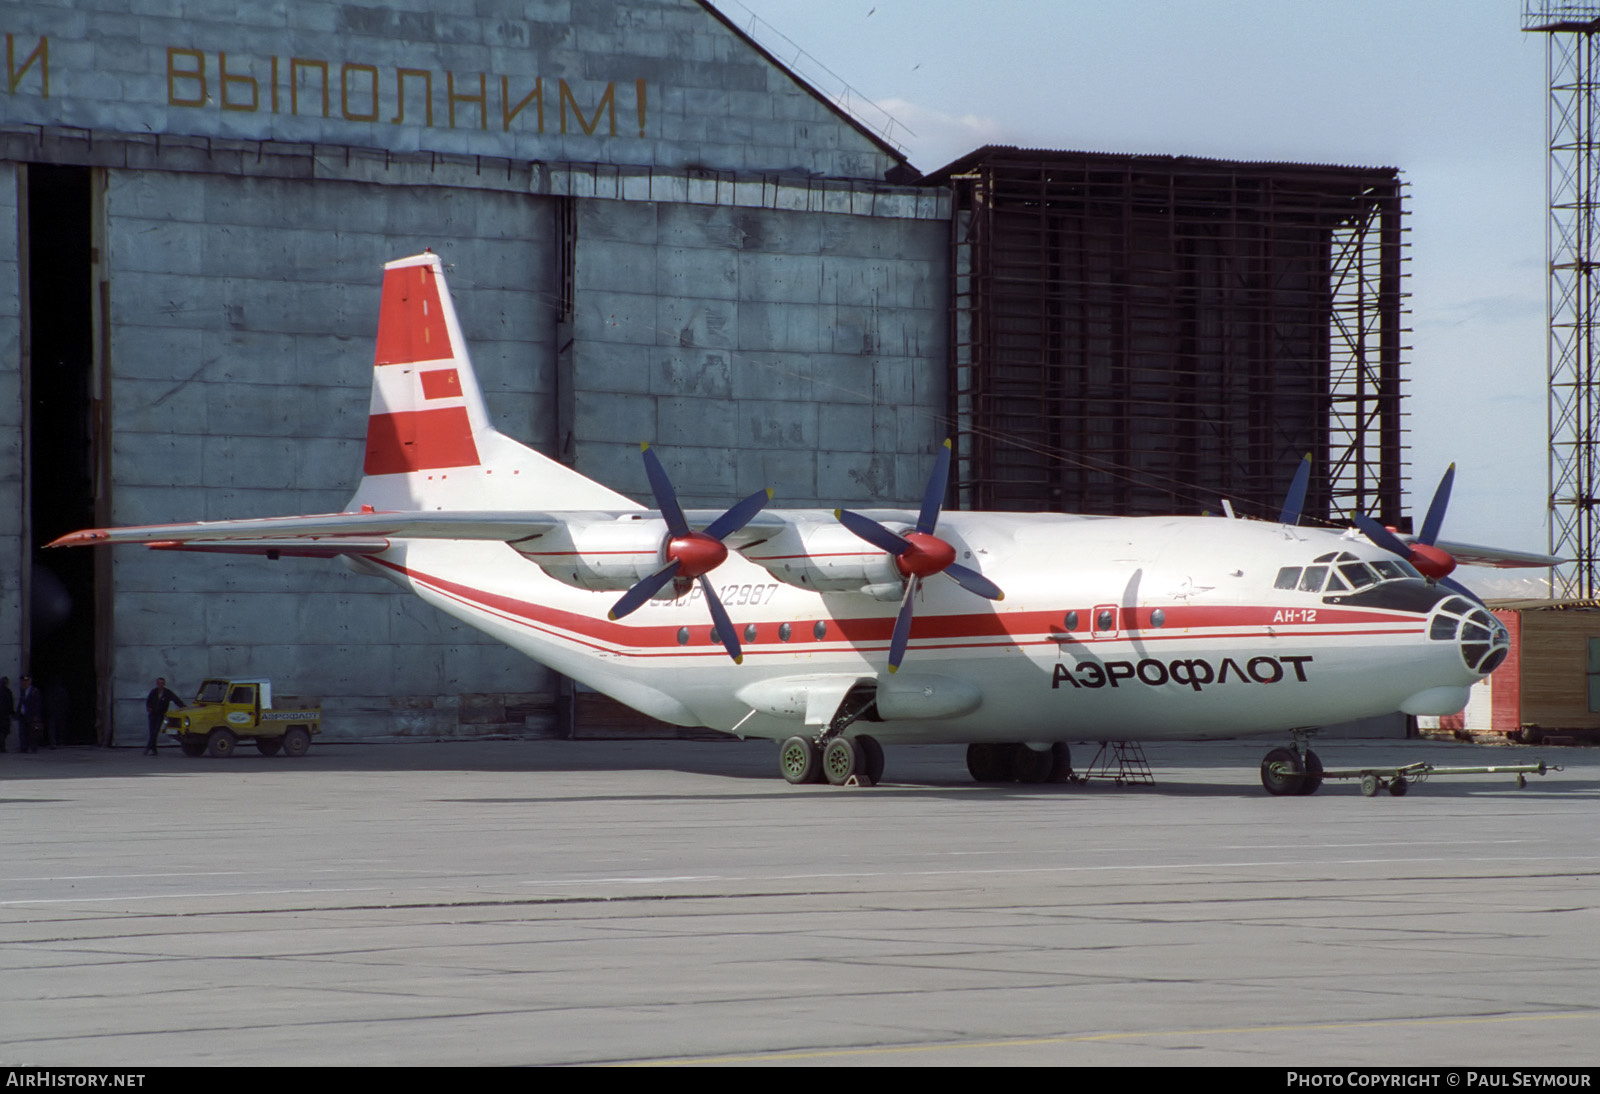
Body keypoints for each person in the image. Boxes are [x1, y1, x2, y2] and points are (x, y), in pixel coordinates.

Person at [145, 678, 183, 755]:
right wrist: (149, 708)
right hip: (152, 714)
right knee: (152, 731)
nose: (160, 685)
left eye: (162, 683)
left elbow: (176, 700)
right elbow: (148, 701)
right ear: (157, 684)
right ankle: (153, 749)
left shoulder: (167, 693)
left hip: (160, 714)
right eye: (159, 683)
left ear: (164, 684)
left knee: (155, 731)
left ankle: (149, 747)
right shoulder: (153, 692)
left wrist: (183, 707)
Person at [17, 675, 42, 753]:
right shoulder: (22, 691)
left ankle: (34, 747)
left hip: (31, 715)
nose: (24, 683)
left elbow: (38, 704)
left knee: (32, 732)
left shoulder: (34, 691)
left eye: (26, 681)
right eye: (23, 682)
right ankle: (24, 747)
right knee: (23, 732)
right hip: (23, 715)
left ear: (29, 682)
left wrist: (36, 716)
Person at [0, 676, 12, 753]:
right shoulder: (8, 691)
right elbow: (10, 703)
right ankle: (2, 747)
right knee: (4, 732)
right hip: (5, 715)